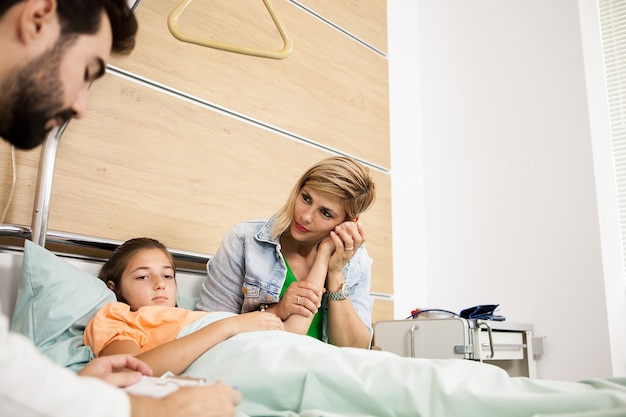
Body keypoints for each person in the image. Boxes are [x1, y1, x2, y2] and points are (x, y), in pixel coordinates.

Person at [0, 1, 243, 416]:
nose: (80, 106)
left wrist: (81, 388)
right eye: (86, 73)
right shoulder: (117, 317)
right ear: (38, 15)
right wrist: (149, 409)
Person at [197, 156, 377, 348]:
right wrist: (276, 310)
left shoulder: (357, 262)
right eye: (306, 198)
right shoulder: (244, 241)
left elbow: (355, 349)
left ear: (348, 222)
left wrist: (335, 272)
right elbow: (205, 331)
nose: (306, 216)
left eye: (325, 213)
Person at [84, 237, 285, 377]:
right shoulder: (118, 316)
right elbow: (127, 372)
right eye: (143, 276)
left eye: (167, 276)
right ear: (114, 288)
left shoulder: (191, 316)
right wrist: (228, 326)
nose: (160, 284)